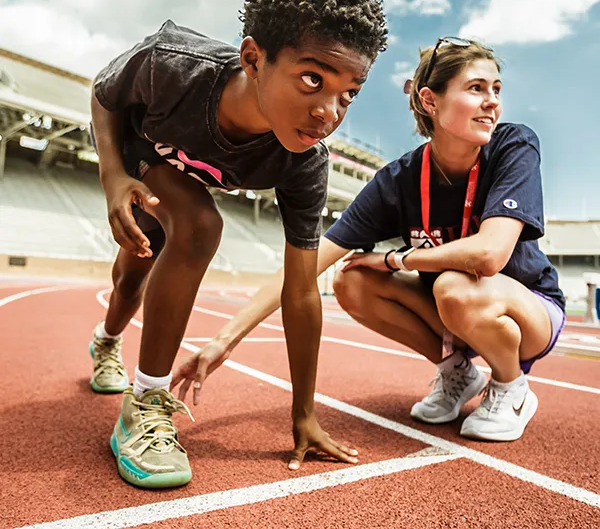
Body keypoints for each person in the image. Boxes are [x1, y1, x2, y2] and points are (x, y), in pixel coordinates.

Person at [173, 37, 566, 444]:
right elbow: (308, 263)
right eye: (476, 88)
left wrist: (395, 260)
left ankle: (510, 388)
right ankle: (457, 372)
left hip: (528, 310)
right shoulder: (400, 180)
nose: (492, 102)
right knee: (351, 280)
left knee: (453, 286)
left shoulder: (513, 145)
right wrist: (223, 340)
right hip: (453, 313)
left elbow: (488, 256)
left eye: (496, 89)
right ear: (430, 101)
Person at [89, 0, 387, 488]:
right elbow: (105, 95)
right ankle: (144, 400)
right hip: (140, 151)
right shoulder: (171, 65)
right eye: (312, 79)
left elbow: (300, 292)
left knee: (135, 272)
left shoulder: (303, 161)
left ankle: (106, 342)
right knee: (189, 234)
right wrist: (112, 175)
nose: (329, 112)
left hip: (183, 179)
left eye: (349, 93)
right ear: (253, 58)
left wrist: (304, 415)